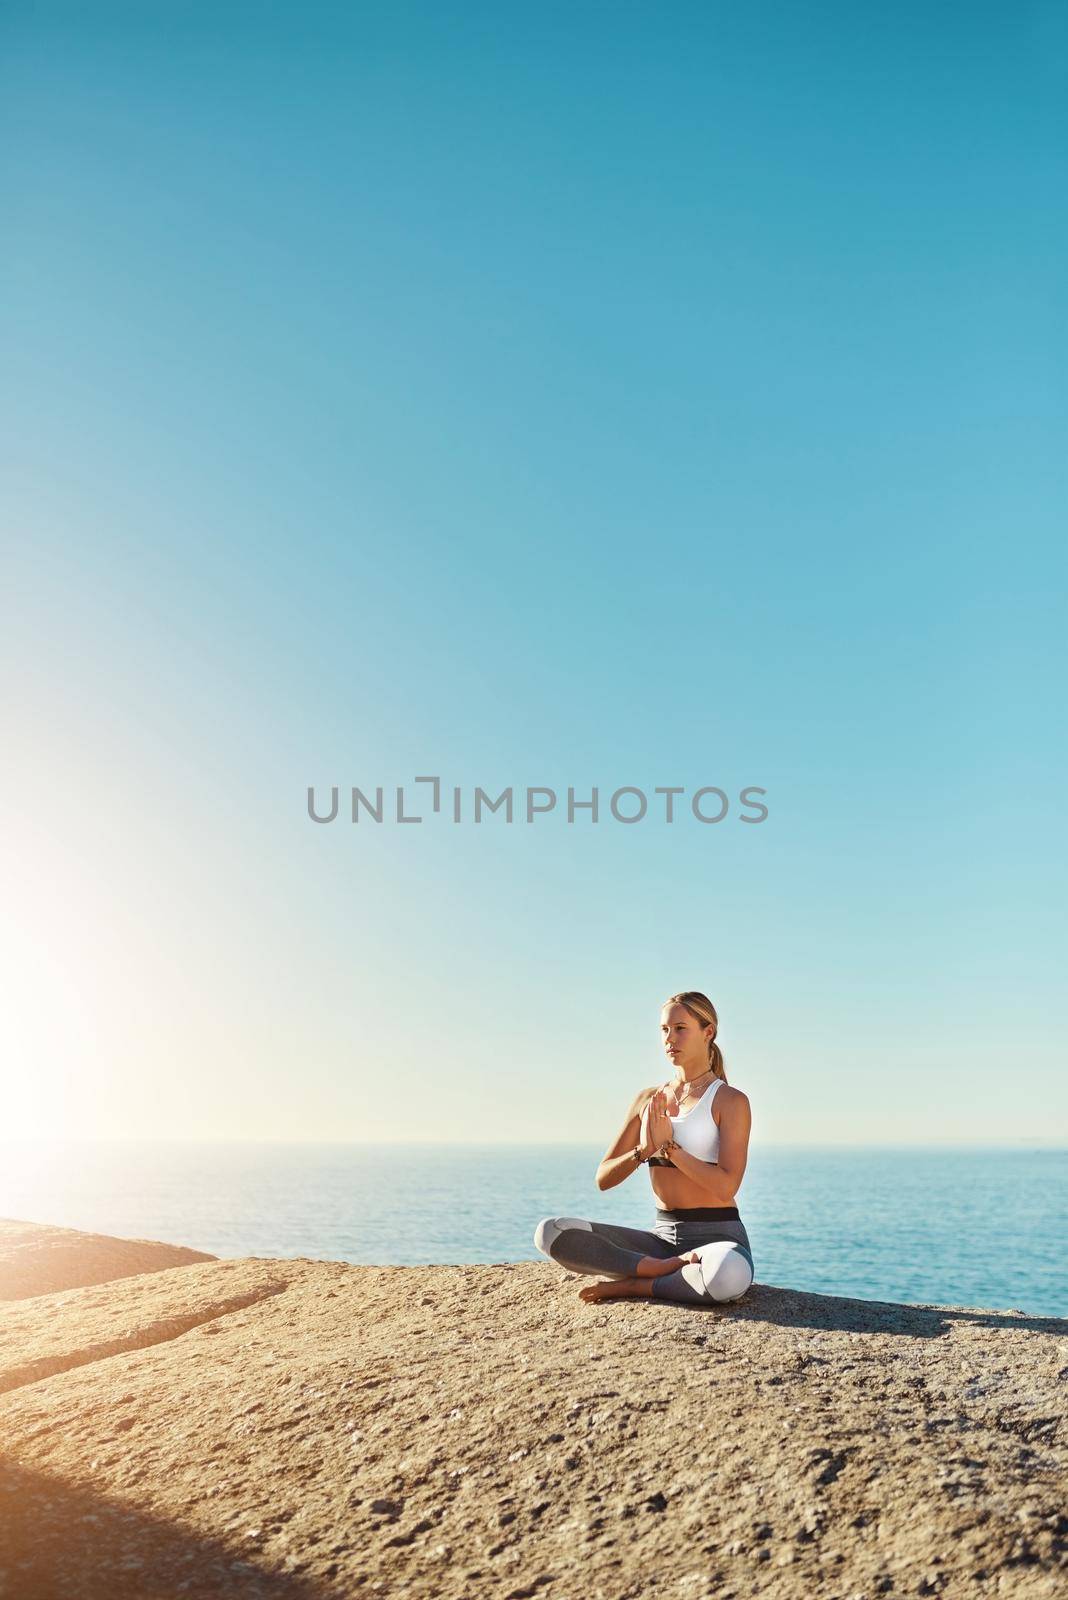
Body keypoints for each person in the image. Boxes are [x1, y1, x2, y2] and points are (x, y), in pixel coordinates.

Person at [533, 991, 754, 1306]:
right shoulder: (647, 1099)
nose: (669, 1038)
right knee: (551, 1232)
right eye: (664, 1030)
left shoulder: (730, 1101)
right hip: (661, 1241)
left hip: (718, 1238)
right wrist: (643, 1149)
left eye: (680, 1028)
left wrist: (670, 1150)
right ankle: (654, 1270)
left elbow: (727, 1185)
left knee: (727, 1275)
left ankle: (635, 1285)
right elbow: (604, 1178)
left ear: (708, 1033)